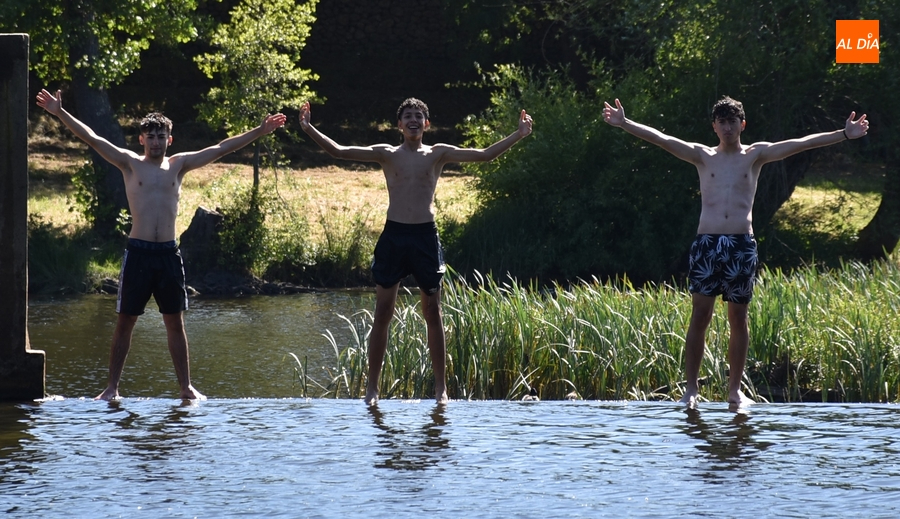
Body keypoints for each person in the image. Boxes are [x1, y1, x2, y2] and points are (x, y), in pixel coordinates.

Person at [603, 96, 869, 407]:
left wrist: (843, 134)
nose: (728, 127)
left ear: (742, 125)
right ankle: (691, 389)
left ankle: (734, 390)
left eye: (733, 121)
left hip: (741, 246)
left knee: (738, 317)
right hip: (707, 244)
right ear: (714, 126)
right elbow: (662, 139)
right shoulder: (702, 156)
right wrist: (625, 123)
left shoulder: (755, 155)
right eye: (722, 122)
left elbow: (800, 144)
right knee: (699, 315)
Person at [36, 88, 287, 401]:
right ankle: (112, 387)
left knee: (174, 322)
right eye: (150, 136)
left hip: (168, 254)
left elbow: (221, 148)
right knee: (125, 321)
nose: (155, 141)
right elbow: (92, 138)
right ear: (141, 140)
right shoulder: (129, 163)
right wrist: (60, 112)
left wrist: (260, 131)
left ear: (170, 139)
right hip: (139, 253)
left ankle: (185, 387)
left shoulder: (179, 165)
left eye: (161, 136)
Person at [299, 98, 533, 404]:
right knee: (382, 311)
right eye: (407, 116)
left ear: (426, 124)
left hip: (424, 236)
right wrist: (308, 128)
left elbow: (485, 155)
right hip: (394, 235)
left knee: (432, 311)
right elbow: (339, 151)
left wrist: (519, 134)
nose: (412, 120)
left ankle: (441, 389)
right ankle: (372, 388)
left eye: (418, 116)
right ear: (399, 124)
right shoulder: (386, 153)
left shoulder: (437, 154)